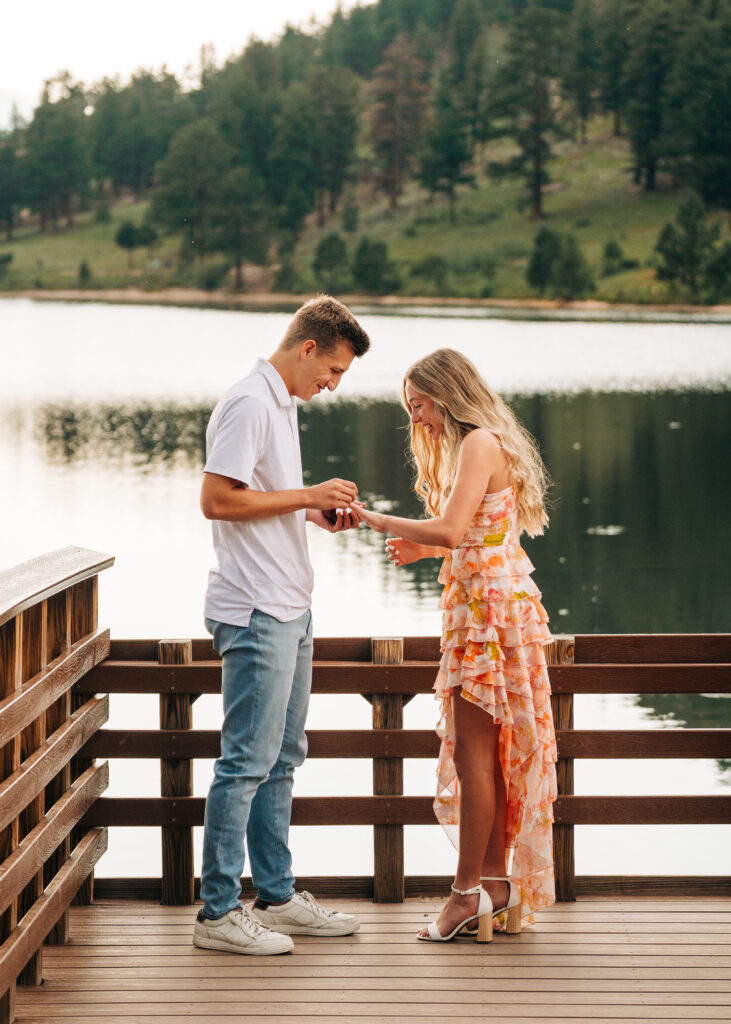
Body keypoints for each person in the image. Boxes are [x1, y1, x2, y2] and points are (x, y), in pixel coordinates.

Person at [356, 348, 557, 943]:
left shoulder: (477, 443)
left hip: (485, 620)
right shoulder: (492, 440)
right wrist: (431, 551)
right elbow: (480, 535)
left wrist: (373, 519)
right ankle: (494, 886)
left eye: (419, 404)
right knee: (488, 759)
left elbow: (451, 528)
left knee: (474, 762)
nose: (416, 417)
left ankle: (465, 896)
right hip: (496, 610)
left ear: (446, 393)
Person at [193, 296, 370, 956]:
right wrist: (307, 495)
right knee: (244, 764)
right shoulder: (247, 402)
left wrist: (311, 515)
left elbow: (258, 498)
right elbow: (216, 500)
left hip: (291, 607)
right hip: (256, 610)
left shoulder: (282, 403)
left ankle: (274, 897)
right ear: (307, 349)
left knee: (282, 759)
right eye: (333, 372)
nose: (331, 386)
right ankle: (215, 915)